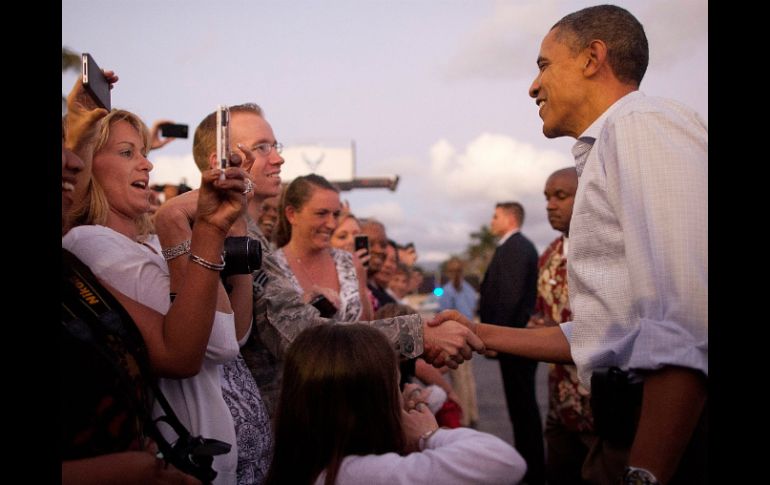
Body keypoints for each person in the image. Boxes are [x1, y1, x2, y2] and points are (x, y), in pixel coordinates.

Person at [435, 5, 707, 484]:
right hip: (622, 429)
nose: (532, 86)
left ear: (592, 58)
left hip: (661, 439)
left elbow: (683, 328)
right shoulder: (614, 142)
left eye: (543, 65)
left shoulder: (640, 125)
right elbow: (604, 334)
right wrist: (479, 333)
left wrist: (645, 474)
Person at [184, 103, 485, 418]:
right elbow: (301, 336)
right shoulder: (217, 234)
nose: (278, 157)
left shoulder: (250, 235)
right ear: (218, 159)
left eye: (276, 146)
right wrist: (418, 333)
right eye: (262, 148)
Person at [61, 74, 240, 484]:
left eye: (144, 151)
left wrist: (215, 232)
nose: (147, 163)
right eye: (127, 152)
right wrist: (187, 229)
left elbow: (228, 335)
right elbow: (197, 350)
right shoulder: (90, 245)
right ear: (87, 165)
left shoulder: (145, 246)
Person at [265, 324, 526, 485]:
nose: (403, 393)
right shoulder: (362, 474)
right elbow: (506, 462)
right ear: (371, 402)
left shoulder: (304, 468)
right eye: (396, 384)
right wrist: (428, 435)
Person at [528, 167, 597, 485]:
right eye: (546, 197)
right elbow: (542, 311)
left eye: (560, 196)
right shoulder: (549, 256)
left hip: (600, 406)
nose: (550, 205)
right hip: (559, 400)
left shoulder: (607, 250)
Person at [478, 201, 542, 485]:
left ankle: (532, 469)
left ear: (510, 218)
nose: (491, 221)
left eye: (495, 216)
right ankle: (529, 465)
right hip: (513, 340)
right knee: (520, 408)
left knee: (523, 408)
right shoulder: (511, 246)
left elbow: (511, 296)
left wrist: (496, 337)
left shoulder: (516, 247)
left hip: (515, 342)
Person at [272, 174, 368, 322]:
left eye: (335, 214)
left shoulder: (349, 262)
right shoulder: (272, 268)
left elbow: (367, 325)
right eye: (321, 213)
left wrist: (361, 278)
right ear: (291, 214)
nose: (331, 224)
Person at [438, 257, 480, 428]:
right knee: (469, 379)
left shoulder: (446, 291)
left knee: (458, 380)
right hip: (469, 335)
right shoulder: (469, 289)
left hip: (454, 337)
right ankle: (473, 414)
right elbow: (473, 308)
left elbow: (442, 315)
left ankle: (463, 418)